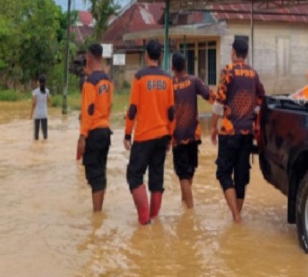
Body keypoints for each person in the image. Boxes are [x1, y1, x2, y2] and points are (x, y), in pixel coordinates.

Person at [211, 37, 265, 223]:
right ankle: (237, 216)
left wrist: (212, 126)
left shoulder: (228, 71)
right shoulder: (254, 74)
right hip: (246, 134)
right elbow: (261, 100)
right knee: (241, 176)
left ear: (233, 52)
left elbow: (219, 102)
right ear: (247, 54)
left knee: (223, 173)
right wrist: (253, 118)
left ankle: (235, 216)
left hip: (229, 132)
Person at [124, 40, 175, 225]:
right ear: (160, 56)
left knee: (134, 176)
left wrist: (127, 134)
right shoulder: (167, 79)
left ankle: (144, 220)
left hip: (144, 136)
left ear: (146, 55)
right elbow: (171, 112)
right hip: (162, 136)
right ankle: (154, 218)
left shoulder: (139, 77)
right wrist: (170, 136)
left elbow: (132, 109)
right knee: (157, 179)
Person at [170, 52, 214, 208]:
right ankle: (185, 200)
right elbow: (210, 96)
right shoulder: (194, 81)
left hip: (177, 136)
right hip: (193, 135)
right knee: (190, 170)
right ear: (186, 66)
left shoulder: (170, 84)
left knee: (183, 174)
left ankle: (189, 209)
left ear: (172, 67)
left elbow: (165, 110)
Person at [76, 43, 113, 212]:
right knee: (101, 172)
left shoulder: (90, 83)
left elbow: (88, 111)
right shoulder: (107, 80)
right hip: (106, 131)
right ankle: (99, 211)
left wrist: (82, 137)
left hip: (94, 132)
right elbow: (109, 105)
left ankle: (97, 213)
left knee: (94, 175)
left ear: (89, 58)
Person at [30, 74, 51, 140]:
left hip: (37, 114)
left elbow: (33, 104)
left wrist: (31, 114)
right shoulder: (47, 91)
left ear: (38, 82)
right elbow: (49, 101)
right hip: (44, 114)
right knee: (45, 135)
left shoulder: (35, 92)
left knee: (36, 135)